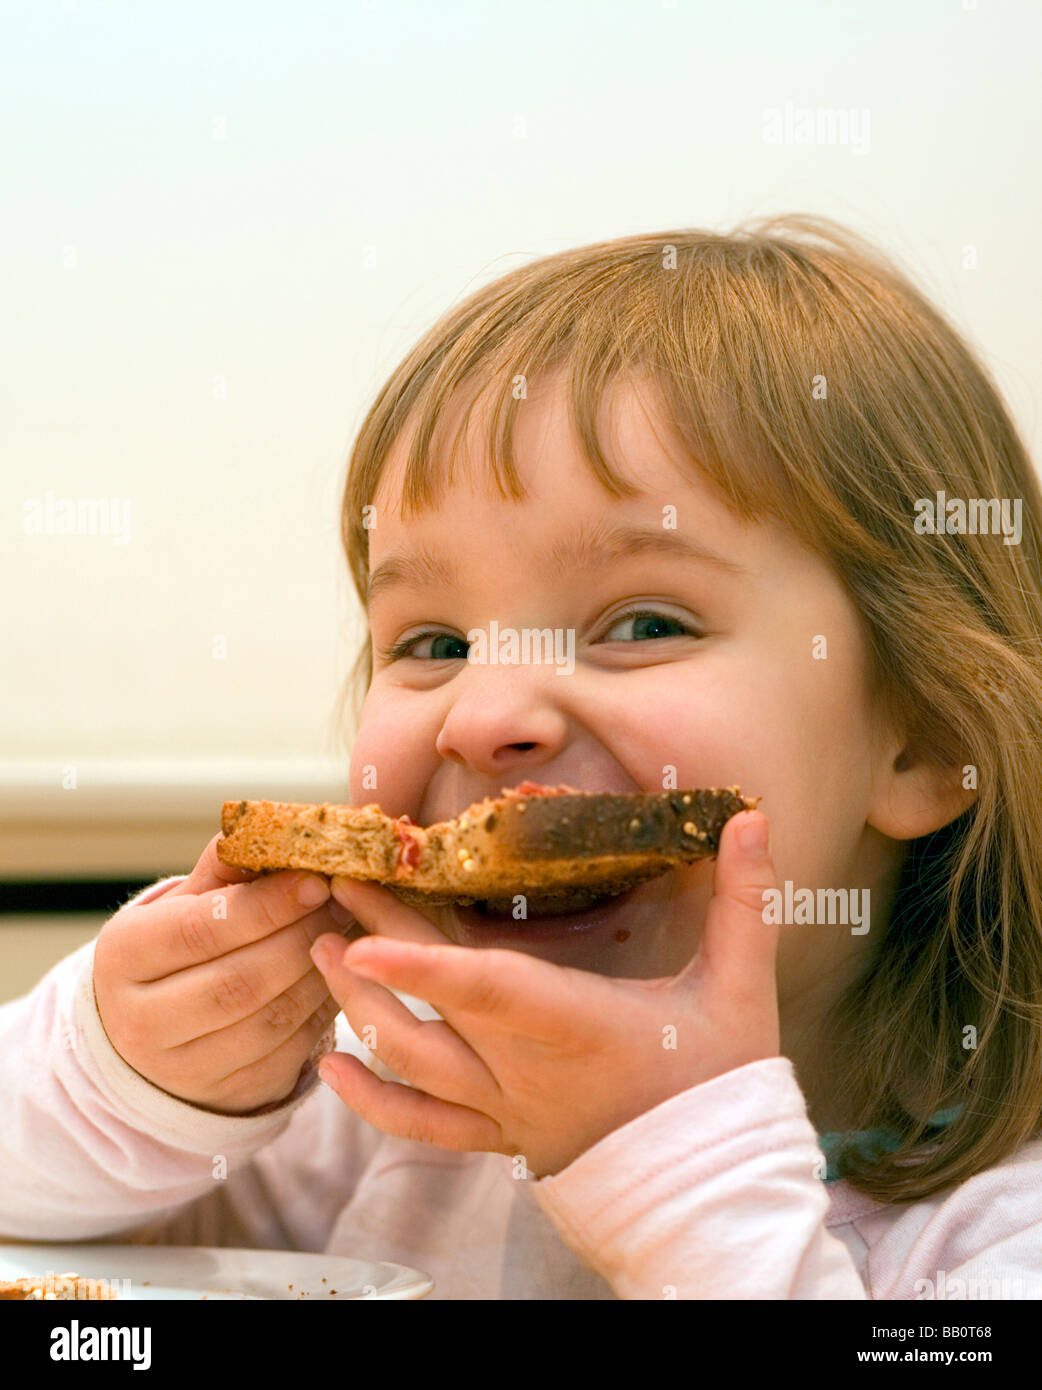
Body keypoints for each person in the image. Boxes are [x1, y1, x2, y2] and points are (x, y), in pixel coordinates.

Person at [3, 217, 1042, 1299]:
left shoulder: (997, 1237)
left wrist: (670, 1163)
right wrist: (132, 1084)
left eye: (643, 623)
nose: (485, 712)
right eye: (434, 644)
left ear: (929, 738)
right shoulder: (387, 1118)